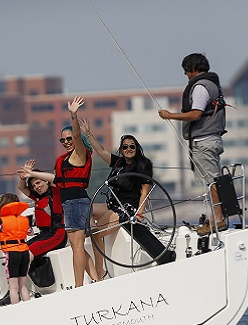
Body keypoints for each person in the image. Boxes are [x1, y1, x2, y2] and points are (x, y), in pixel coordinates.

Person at [19, 97, 97, 287]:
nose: (66, 142)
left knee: (77, 247)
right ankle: (96, 279)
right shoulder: (62, 160)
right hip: (70, 202)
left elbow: (78, 137)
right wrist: (31, 173)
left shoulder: (80, 154)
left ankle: (79, 286)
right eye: (63, 140)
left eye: (69, 139)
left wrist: (73, 116)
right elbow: (58, 180)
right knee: (78, 246)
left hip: (77, 202)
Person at [158, 52, 227, 236]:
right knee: (214, 179)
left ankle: (218, 220)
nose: (186, 75)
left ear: (193, 69)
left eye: (186, 71)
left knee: (212, 181)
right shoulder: (211, 84)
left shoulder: (200, 87)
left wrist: (169, 116)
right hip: (211, 139)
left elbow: (196, 114)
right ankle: (216, 218)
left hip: (204, 141)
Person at [81, 121, 157, 275]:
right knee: (85, 208)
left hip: (127, 208)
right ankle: (94, 230)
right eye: (125, 147)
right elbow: (101, 151)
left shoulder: (143, 164)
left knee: (95, 234)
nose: (128, 149)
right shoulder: (119, 163)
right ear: (121, 150)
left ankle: (99, 270)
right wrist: (88, 134)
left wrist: (139, 214)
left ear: (136, 148)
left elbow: (145, 191)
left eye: (132, 146)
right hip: (113, 204)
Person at [17, 161, 67, 262]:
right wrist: (23, 177)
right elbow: (21, 187)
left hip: (57, 235)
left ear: (46, 181)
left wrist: (32, 174)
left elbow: (54, 178)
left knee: (27, 254)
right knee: (18, 251)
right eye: (33, 186)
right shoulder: (37, 197)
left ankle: (19, 277)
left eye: (38, 183)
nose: (36, 187)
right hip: (44, 234)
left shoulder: (55, 192)